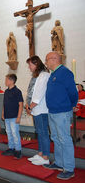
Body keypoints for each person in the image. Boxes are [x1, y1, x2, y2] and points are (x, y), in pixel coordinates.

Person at [44, 51, 78, 180]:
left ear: (54, 59)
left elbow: (72, 92)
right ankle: (59, 163)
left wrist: (72, 104)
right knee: (56, 137)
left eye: (47, 60)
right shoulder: (53, 74)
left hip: (62, 111)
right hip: (52, 111)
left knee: (64, 139)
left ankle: (69, 168)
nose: (46, 62)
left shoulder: (65, 73)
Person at [25, 56, 51, 165]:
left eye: (30, 65)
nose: (29, 67)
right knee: (39, 132)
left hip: (41, 109)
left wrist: (31, 106)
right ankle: (40, 154)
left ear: (36, 64)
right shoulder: (39, 75)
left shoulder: (44, 75)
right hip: (37, 109)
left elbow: (39, 93)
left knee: (43, 133)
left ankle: (45, 157)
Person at [1, 74, 23, 159]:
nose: (5, 81)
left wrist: (18, 117)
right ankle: (11, 148)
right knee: (9, 133)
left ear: (11, 81)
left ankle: (18, 150)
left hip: (14, 116)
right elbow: (4, 104)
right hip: (7, 116)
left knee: (15, 133)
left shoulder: (17, 91)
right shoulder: (6, 92)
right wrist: (3, 113)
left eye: (6, 80)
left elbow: (20, 105)